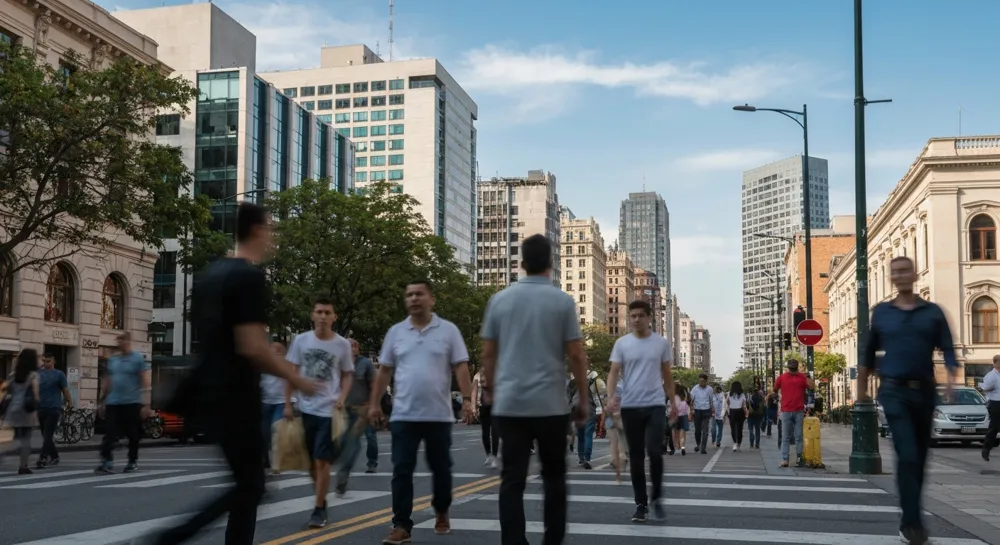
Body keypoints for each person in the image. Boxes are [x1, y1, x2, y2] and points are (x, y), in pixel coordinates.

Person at [153, 201, 317, 545]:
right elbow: (252, 346)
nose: (273, 238)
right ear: (257, 229)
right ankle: (171, 537)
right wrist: (298, 378)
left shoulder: (212, 274)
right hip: (236, 395)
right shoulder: (248, 276)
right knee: (251, 486)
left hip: (209, 393)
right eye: (271, 229)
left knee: (249, 485)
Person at [480, 233, 589, 545]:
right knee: (555, 480)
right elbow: (577, 355)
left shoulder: (499, 299)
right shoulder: (562, 301)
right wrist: (582, 398)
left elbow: (488, 352)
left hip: (510, 405)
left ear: (522, 263)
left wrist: (490, 389)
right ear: (551, 263)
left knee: (512, 481)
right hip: (551, 406)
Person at [858, 255, 958, 545]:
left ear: (914, 275)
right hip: (893, 391)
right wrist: (862, 387)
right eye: (896, 271)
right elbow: (868, 352)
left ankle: (910, 519)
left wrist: (951, 376)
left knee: (920, 460)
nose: (901, 275)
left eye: (906, 270)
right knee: (908, 454)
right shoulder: (882, 314)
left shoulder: (933, 312)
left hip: (925, 391)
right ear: (892, 277)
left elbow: (949, 348)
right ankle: (912, 524)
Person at [369, 280, 474, 545]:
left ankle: (441, 508)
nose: (414, 298)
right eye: (410, 295)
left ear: (431, 299)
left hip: (438, 414)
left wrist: (468, 400)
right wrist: (374, 403)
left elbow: (461, 366)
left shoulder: (448, 330)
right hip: (404, 414)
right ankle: (401, 525)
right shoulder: (396, 332)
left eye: (419, 294)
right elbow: (384, 371)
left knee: (441, 469)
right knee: (402, 469)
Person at [284, 297, 354, 528]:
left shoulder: (342, 344)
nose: (323, 316)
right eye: (319, 312)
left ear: (334, 317)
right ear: (312, 315)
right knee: (312, 465)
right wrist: (287, 403)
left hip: (328, 410)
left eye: (327, 312)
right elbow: (292, 372)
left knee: (322, 461)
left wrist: (342, 398)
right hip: (305, 409)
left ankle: (317, 509)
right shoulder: (301, 341)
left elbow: (346, 375)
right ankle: (322, 501)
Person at [606, 299, 676, 523]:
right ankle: (641, 504)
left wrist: (673, 402)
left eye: (640, 315)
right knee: (635, 458)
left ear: (649, 317)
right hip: (630, 406)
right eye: (632, 316)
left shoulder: (661, 343)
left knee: (655, 452)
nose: (636, 319)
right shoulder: (622, 343)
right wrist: (610, 399)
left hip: (655, 404)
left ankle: (656, 495)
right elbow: (613, 372)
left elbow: (667, 374)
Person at [96, 332, 151, 474]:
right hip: (113, 402)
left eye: (122, 341)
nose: (119, 344)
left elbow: (144, 380)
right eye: (118, 341)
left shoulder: (137, 358)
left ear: (128, 341)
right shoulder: (113, 360)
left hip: (132, 402)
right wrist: (102, 400)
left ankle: (132, 460)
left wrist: (146, 403)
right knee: (109, 431)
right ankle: (106, 461)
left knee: (133, 434)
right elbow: (107, 380)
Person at [335, 338, 378, 494]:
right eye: (349, 345)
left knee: (361, 439)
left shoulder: (365, 363)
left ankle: (345, 474)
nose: (353, 347)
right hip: (343, 409)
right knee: (347, 441)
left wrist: (373, 405)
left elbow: (374, 386)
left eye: (355, 345)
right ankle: (344, 470)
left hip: (362, 409)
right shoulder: (339, 363)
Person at [1, 349, 40, 474]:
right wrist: (37, 400)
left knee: (15, 437)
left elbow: (5, 389)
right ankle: (23, 466)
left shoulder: (13, 375)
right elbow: (35, 392)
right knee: (25, 439)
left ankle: (3, 453)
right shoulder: (33, 375)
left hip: (13, 409)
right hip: (27, 410)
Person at [35, 353, 73, 468]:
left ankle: (43, 458)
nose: (46, 363)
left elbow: (65, 389)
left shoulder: (59, 374)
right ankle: (55, 456)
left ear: (53, 361)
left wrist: (69, 402)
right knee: (45, 435)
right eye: (45, 361)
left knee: (47, 435)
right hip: (41, 408)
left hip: (54, 408)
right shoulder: (38, 374)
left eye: (49, 361)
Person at [774, 359, 814, 467]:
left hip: (793, 410)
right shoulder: (786, 377)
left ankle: (788, 459)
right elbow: (812, 387)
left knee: (789, 437)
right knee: (796, 437)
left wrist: (808, 377)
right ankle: (794, 459)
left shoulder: (786, 377)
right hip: (791, 411)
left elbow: (775, 388)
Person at [260, 342, 289, 474]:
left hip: (281, 402)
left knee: (277, 431)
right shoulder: (262, 365)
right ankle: (265, 459)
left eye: (276, 352)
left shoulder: (286, 365)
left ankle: (278, 463)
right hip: (265, 401)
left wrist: (289, 404)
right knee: (264, 433)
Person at [471, 369, 499, 469]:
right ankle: (488, 455)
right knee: (485, 433)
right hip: (483, 406)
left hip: (495, 406)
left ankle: (495, 457)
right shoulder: (477, 377)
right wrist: (473, 407)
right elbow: (474, 393)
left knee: (495, 432)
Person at [689, 373, 713, 454]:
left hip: (706, 410)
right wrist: (691, 409)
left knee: (705, 430)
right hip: (697, 410)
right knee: (697, 430)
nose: (701, 383)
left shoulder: (709, 389)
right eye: (700, 381)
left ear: (706, 381)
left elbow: (711, 400)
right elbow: (691, 399)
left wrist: (712, 409)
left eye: (703, 381)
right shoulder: (695, 388)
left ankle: (703, 448)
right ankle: (698, 444)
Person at [982, 355, 1000, 462]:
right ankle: (986, 448)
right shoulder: (991, 375)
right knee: (994, 427)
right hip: (995, 403)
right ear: (996, 363)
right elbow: (985, 388)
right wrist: (990, 388)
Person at [727, 381, 748, 452]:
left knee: (733, 428)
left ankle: (735, 443)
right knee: (739, 429)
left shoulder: (729, 394)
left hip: (732, 412)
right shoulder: (742, 395)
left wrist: (727, 412)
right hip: (740, 412)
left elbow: (727, 404)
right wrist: (746, 412)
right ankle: (738, 443)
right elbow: (744, 405)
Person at [672, 385, 690, 456]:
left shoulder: (674, 398)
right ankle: (682, 447)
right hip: (684, 417)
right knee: (682, 434)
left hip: (676, 417)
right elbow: (687, 409)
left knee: (675, 433)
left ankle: (677, 448)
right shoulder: (684, 399)